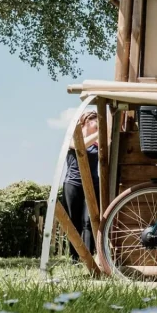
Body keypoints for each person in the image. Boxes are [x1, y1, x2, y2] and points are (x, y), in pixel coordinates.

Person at [62, 110, 99, 259]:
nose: (98, 128)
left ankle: (88, 257)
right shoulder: (72, 138)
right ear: (89, 121)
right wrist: (99, 132)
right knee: (73, 221)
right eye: (97, 124)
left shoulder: (97, 142)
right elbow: (80, 146)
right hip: (73, 184)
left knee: (89, 222)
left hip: (92, 185)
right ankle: (74, 258)